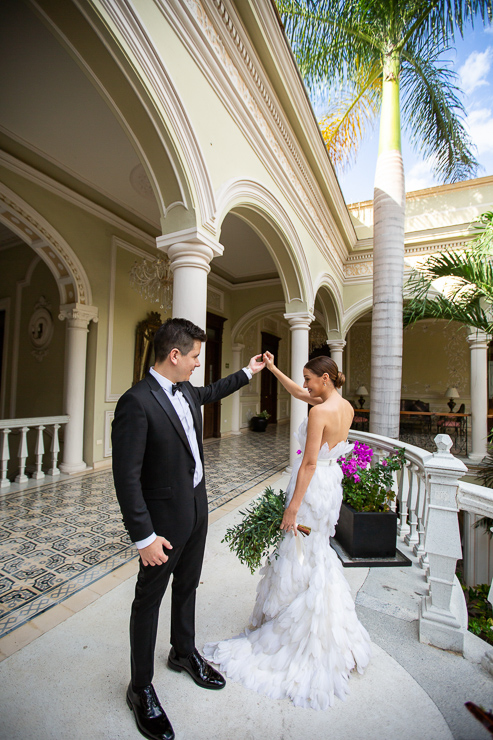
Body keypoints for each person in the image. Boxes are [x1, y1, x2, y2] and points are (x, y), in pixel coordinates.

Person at [112, 317, 265, 740]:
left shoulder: (184, 390)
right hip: (160, 526)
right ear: (175, 355)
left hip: (196, 510)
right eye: (196, 356)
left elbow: (213, 391)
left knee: (188, 586)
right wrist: (143, 537)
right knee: (148, 602)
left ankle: (183, 652)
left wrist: (250, 371)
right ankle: (140, 688)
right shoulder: (136, 402)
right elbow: (126, 477)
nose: (199, 363)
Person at [204, 352, 371, 711]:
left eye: (311, 378)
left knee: (297, 551)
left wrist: (293, 506)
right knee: (316, 552)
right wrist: (274, 368)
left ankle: (292, 625)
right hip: (331, 486)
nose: (306, 384)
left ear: (325, 379)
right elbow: (299, 393)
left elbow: (308, 462)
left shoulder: (320, 412)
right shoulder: (342, 406)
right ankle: (322, 620)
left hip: (311, 489)